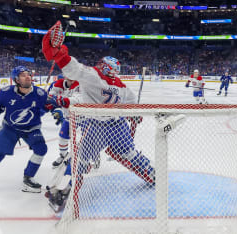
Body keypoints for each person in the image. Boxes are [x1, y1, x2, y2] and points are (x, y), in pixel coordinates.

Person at [41, 21, 185, 211]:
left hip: (96, 127)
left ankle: (65, 191)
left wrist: (59, 54)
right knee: (130, 153)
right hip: (119, 127)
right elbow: (132, 105)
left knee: (81, 161)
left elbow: (74, 68)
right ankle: (152, 175)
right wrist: (135, 116)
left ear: (104, 66)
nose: (99, 66)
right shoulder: (121, 86)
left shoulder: (93, 76)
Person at [0, 66, 53, 196]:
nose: (27, 76)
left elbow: (49, 105)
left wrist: (56, 110)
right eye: (23, 75)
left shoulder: (40, 93)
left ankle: (28, 178)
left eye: (28, 74)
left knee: (41, 149)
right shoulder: (6, 92)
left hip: (31, 128)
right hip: (10, 128)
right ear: (16, 80)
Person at [47, 74, 80, 168]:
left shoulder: (79, 85)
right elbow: (51, 97)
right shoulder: (58, 85)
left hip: (82, 118)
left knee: (81, 141)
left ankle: (87, 159)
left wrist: (60, 100)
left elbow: (76, 100)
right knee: (63, 137)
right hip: (68, 117)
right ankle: (63, 156)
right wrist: (49, 103)